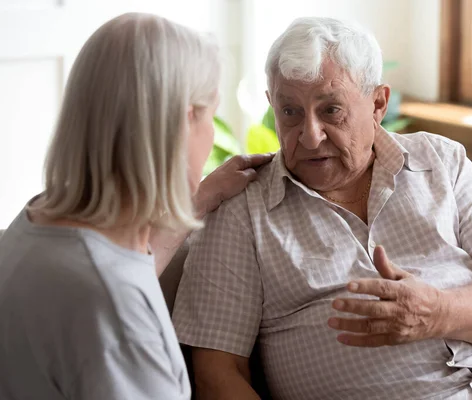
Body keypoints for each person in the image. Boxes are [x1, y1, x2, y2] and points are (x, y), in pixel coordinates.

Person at [172, 17, 472, 400]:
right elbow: (217, 374)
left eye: (331, 109)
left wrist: (436, 313)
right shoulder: (242, 209)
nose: (310, 135)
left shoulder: (441, 162)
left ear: (377, 103)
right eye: (289, 111)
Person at [0, 13, 272, 400]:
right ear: (183, 123)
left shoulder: (37, 221)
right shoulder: (111, 310)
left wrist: (198, 201)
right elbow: (111, 294)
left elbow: (119, 269)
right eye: (210, 116)